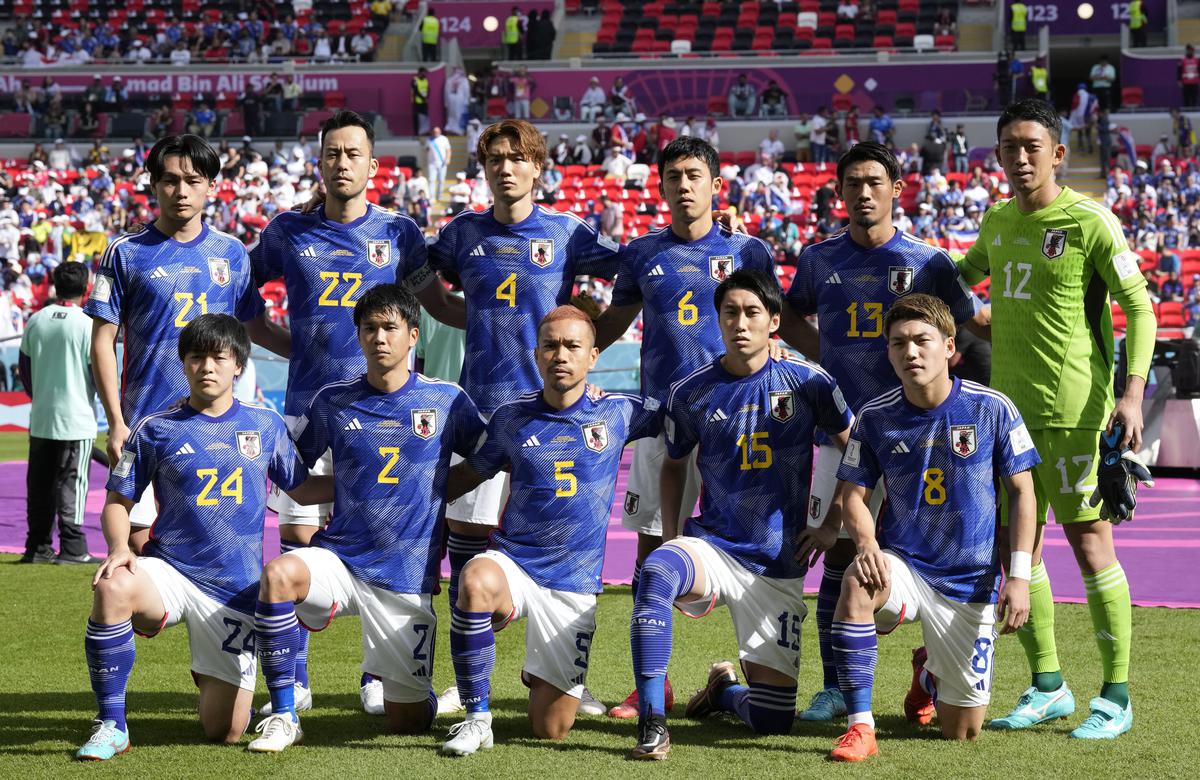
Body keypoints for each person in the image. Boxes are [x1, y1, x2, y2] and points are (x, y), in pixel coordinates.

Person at [251, 110, 462, 717]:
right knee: (294, 545)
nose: (341, 163)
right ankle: (295, 682)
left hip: (386, 419)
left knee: (382, 542)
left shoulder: (399, 235)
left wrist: (517, 322)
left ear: (373, 166)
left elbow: (436, 305)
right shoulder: (286, 231)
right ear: (319, 163)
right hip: (306, 413)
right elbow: (243, 299)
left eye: (352, 154)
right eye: (331, 153)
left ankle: (378, 671)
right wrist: (292, 347)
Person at [957, 99, 1156, 739]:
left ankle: (1116, 695)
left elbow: (1141, 310)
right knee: (1022, 546)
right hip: (1007, 413)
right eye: (1009, 146)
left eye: (1031, 146)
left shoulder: (1092, 221)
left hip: (1077, 411)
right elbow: (956, 282)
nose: (1019, 157)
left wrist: (1132, 397)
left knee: (1089, 543)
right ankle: (1049, 686)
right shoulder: (996, 222)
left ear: (1058, 153)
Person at [775, 141, 985, 724]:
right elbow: (790, 314)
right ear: (839, 193)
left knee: (931, 548)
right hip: (840, 434)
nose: (862, 193)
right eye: (851, 184)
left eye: (874, 182)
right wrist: (829, 355)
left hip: (920, 436)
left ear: (897, 188)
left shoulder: (931, 261)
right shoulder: (819, 259)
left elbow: (966, 328)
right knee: (839, 551)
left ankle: (932, 667)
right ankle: (836, 685)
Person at [423, 120, 621, 715]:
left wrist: (591, 346)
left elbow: (634, 276)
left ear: (538, 167)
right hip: (481, 410)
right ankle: (467, 677)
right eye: (495, 160)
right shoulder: (462, 233)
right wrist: (471, 318)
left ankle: (561, 677)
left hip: (552, 417)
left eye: (517, 158)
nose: (505, 169)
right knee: (469, 544)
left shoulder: (568, 233)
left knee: (553, 541)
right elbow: (420, 279)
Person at [73, 314, 327, 761]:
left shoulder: (265, 427)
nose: (207, 366)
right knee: (113, 585)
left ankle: (212, 678)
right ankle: (111, 723)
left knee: (225, 731)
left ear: (238, 366)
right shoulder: (156, 428)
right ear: (183, 364)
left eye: (218, 357)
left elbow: (303, 488)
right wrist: (117, 549)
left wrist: (365, 485)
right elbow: (117, 502)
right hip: (170, 569)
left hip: (233, 589)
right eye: (196, 357)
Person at [626, 269, 853, 759]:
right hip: (714, 547)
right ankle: (652, 720)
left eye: (752, 313)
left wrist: (833, 519)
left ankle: (723, 690)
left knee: (772, 721)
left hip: (777, 563)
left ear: (774, 321)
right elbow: (674, 465)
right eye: (730, 312)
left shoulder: (809, 382)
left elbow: (855, 450)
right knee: (658, 571)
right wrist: (670, 534)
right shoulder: (692, 391)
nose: (740, 323)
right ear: (718, 320)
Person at [246, 285, 484, 752]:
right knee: (278, 574)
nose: (380, 338)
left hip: (405, 578)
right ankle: (284, 712)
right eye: (370, 328)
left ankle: (421, 695)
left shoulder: (447, 401)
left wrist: (442, 487)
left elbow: (491, 455)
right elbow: (296, 475)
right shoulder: (333, 401)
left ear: (413, 335)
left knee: (407, 723)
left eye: (390, 328)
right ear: (357, 336)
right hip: (342, 561)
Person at [590, 137, 776, 719]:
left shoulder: (749, 249)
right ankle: (654, 685)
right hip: (661, 418)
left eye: (694, 173)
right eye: (673, 175)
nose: (683, 184)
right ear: (662, 186)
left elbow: (776, 326)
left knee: (752, 544)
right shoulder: (641, 252)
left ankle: (761, 679)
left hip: (739, 419)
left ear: (716, 183)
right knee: (653, 549)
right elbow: (609, 325)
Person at [438, 306, 661, 756]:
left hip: (573, 586)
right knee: (475, 579)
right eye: (551, 345)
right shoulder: (510, 418)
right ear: (536, 355)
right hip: (514, 564)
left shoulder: (619, 412)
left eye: (573, 346)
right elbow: (467, 478)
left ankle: (538, 674)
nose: (561, 354)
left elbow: (688, 405)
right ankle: (477, 717)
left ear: (593, 356)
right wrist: (407, 484)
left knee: (550, 729)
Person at [826, 294, 1039, 761]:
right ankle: (860, 727)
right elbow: (851, 497)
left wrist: (1019, 576)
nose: (910, 352)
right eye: (898, 343)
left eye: (922, 341)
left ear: (949, 347)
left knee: (961, 732)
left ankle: (928, 674)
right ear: (888, 352)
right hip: (904, 567)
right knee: (857, 580)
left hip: (969, 581)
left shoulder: (992, 408)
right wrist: (866, 544)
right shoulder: (876, 416)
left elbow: (1023, 492)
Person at [85, 135, 271, 557]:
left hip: (217, 431)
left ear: (211, 185)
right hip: (145, 426)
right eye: (169, 180)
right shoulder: (125, 253)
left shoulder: (233, 254)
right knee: (136, 559)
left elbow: (256, 327)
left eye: (193, 179)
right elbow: (101, 342)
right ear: (153, 185)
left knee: (219, 555)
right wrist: (115, 422)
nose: (181, 191)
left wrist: (311, 348)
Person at [19, 262, 98, 565]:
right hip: (76, 417)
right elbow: (97, 371)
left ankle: (37, 546)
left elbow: (25, 371)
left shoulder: (35, 320)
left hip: (41, 415)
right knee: (72, 483)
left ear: (54, 286)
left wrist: (40, 396)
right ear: (86, 288)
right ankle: (73, 546)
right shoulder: (87, 323)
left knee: (39, 483)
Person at [426, 126, 452, 200]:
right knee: (431, 180)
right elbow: (426, 150)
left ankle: (439, 196)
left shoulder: (444, 139)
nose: (435, 133)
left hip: (442, 163)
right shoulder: (429, 140)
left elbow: (448, 150)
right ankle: (432, 197)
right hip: (432, 163)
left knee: (441, 180)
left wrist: (448, 159)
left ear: (440, 132)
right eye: (434, 132)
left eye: (437, 131)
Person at [444, 67, 470, 136]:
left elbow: (446, 92)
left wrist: (446, 102)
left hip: (452, 98)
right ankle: (457, 130)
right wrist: (466, 101)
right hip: (459, 99)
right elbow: (466, 91)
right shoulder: (464, 80)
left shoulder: (450, 80)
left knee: (452, 114)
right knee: (457, 114)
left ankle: (453, 129)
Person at [412, 67, 430, 137]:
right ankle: (417, 133)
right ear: (420, 72)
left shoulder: (426, 80)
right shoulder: (415, 80)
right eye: (424, 72)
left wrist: (426, 97)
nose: (425, 74)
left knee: (425, 117)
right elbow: (415, 91)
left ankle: (424, 131)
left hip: (424, 102)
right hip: (417, 102)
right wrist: (423, 98)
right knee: (417, 118)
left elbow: (428, 89)